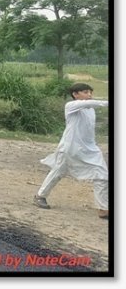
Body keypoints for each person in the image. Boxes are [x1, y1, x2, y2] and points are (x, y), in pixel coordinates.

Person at [34, 83, 110, 219]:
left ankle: (103, 209)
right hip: (70, 148)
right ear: (75, 94)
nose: (89, 95)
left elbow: (89, 126)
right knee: (58, 171)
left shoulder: (90, 109)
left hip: (89, 149)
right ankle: (40, 196)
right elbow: (96, 103)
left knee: (102, 175)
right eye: (86, 92)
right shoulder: (71, 106)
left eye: (90, 92)